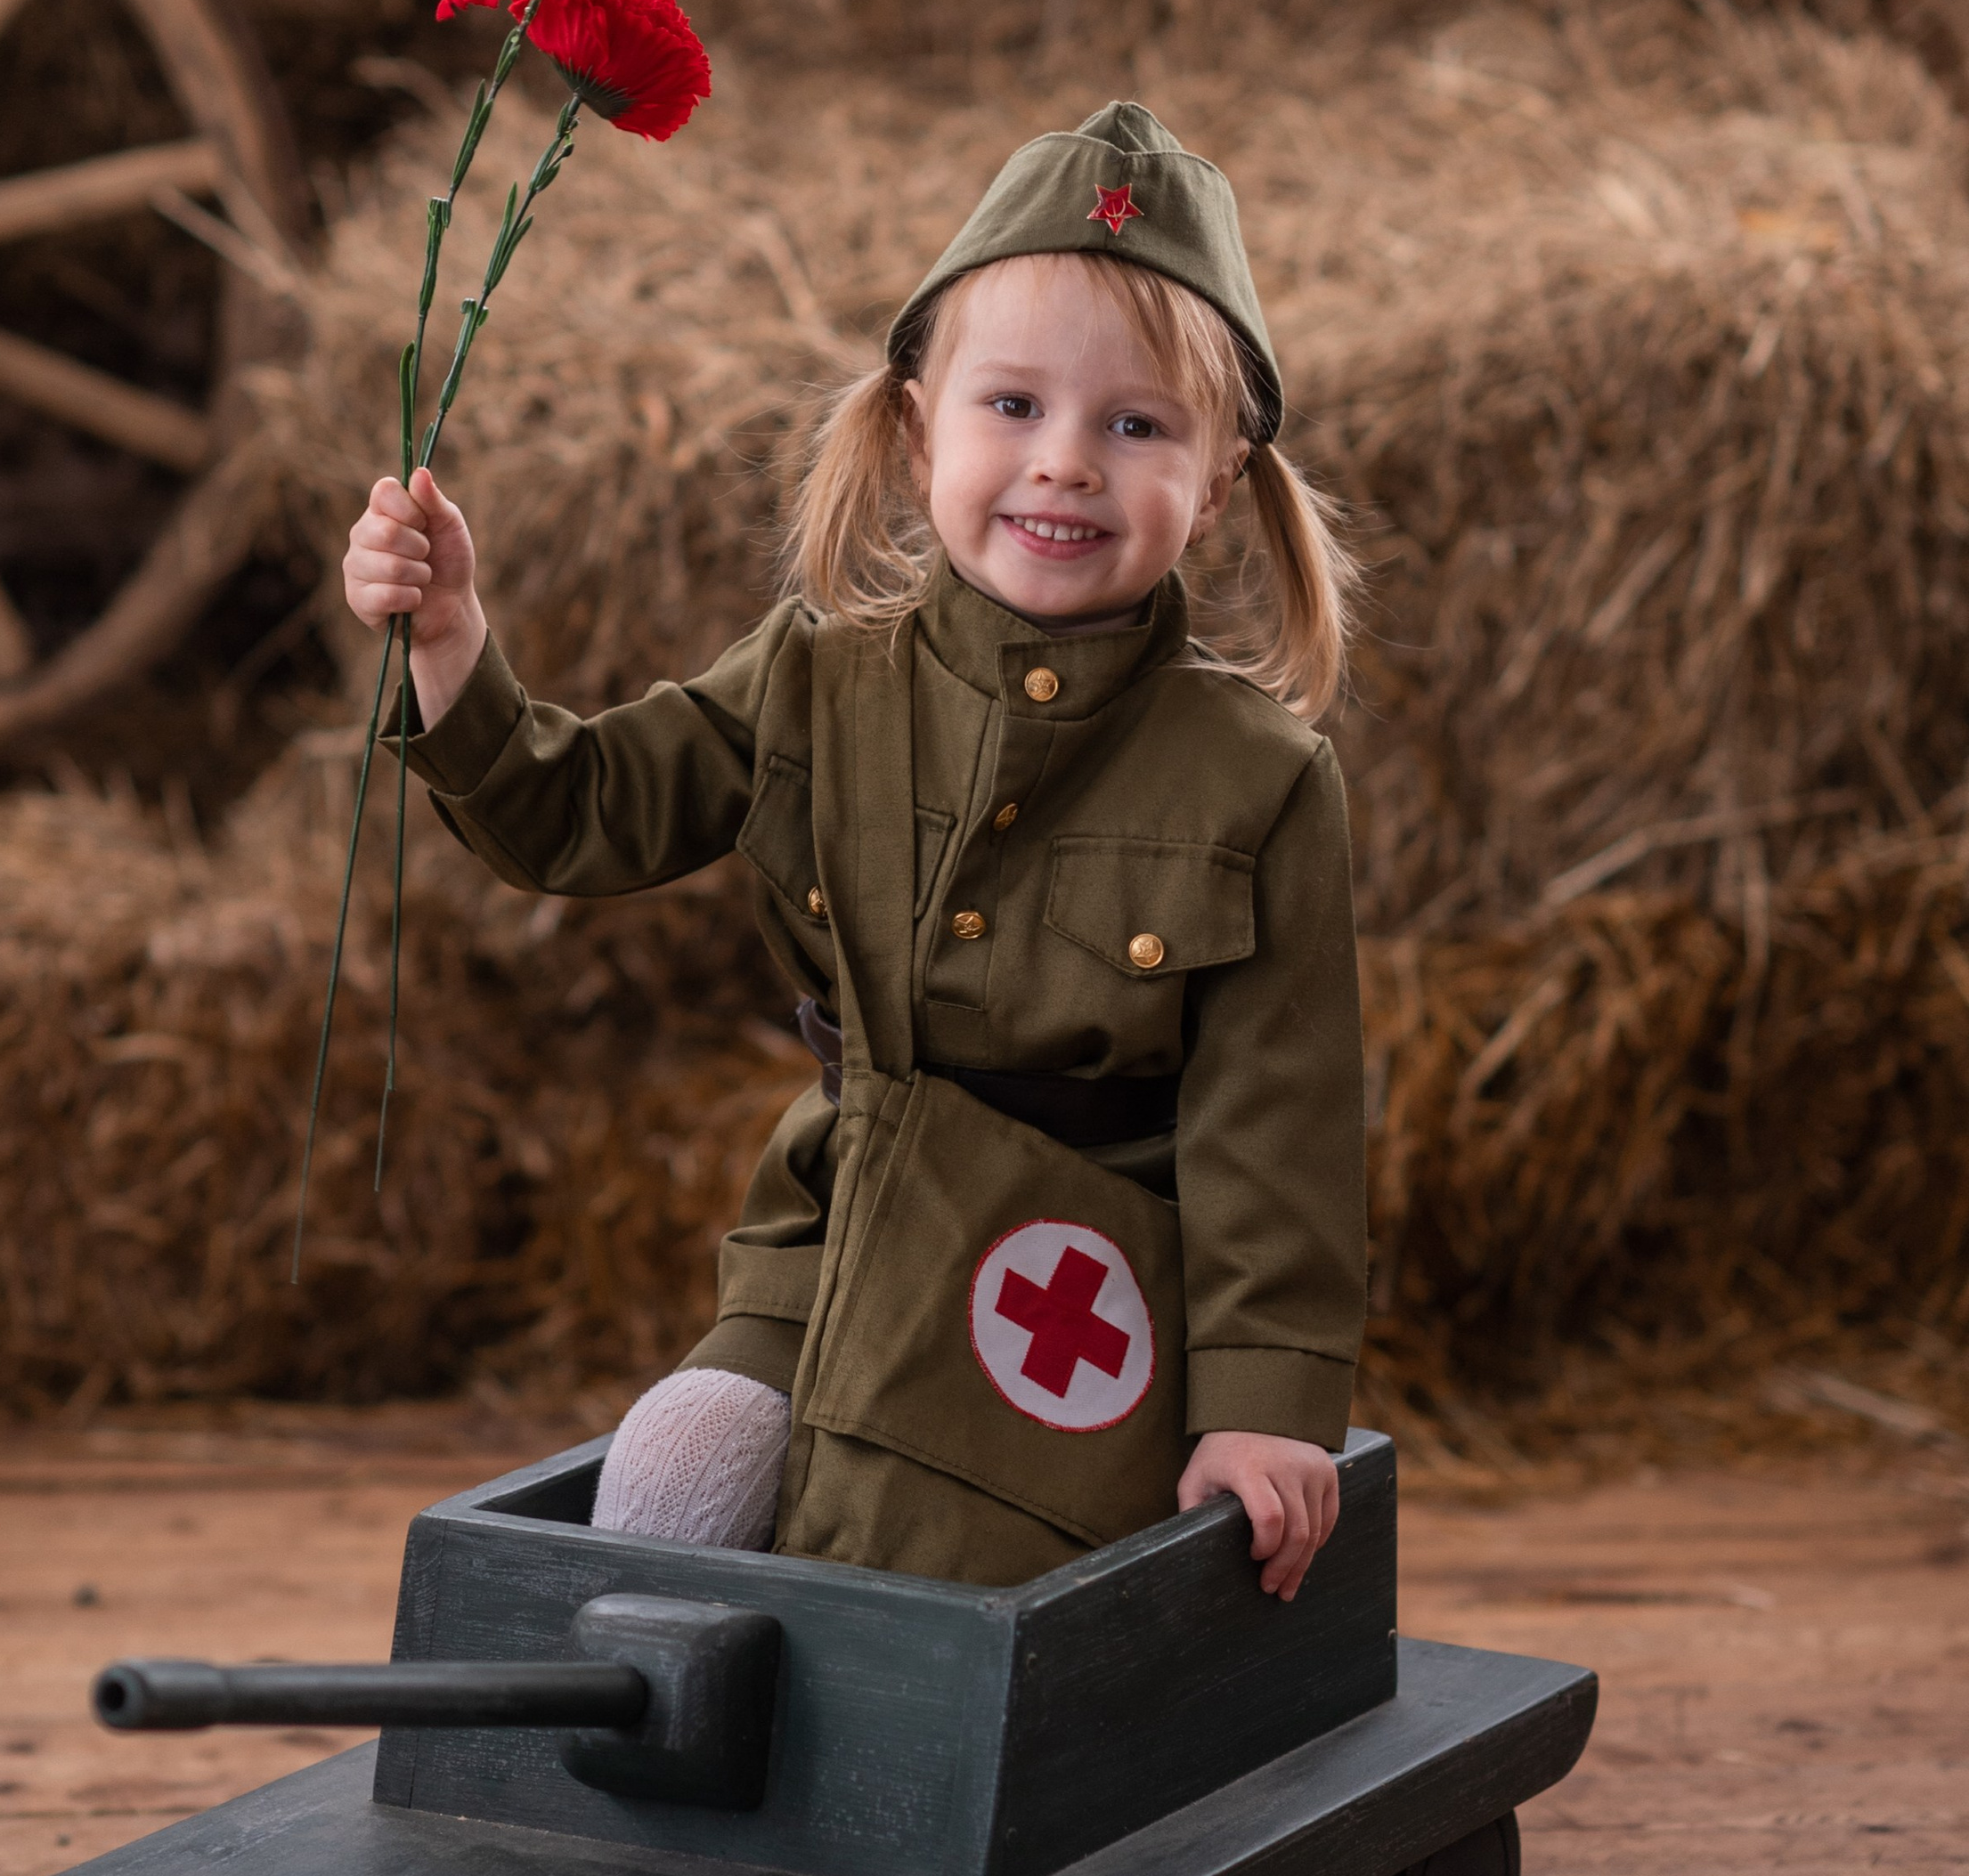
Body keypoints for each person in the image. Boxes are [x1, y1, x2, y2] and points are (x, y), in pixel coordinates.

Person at [342, 102, 1366, 1602]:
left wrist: (1266, 1407)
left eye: (1135, 425)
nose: (1065, 464)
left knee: (943, 1575)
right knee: (678, 1482)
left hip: (1085, 1274)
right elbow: (578, 814)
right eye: (1012, 406)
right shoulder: (818, 681)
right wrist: (450, 643)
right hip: (829, 1240)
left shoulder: (1261, 780)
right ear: (913, 429)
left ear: (1214, 485)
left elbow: (1279, 1127)